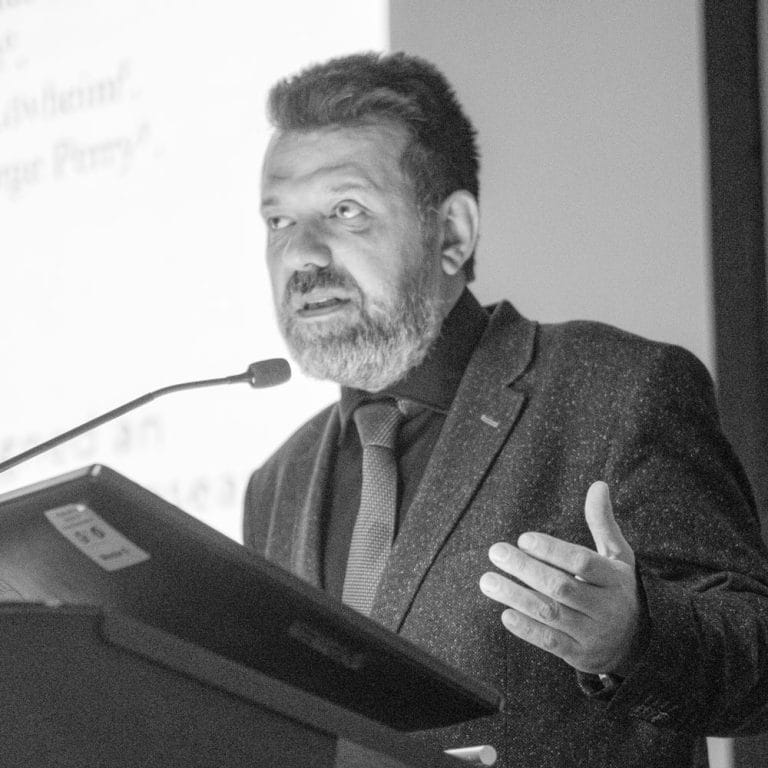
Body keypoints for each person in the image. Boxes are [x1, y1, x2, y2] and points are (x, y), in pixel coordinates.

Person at [244, 51, 768, 768]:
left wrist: (637, 638)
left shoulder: (618, 390)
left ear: (452, 233)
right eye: (277, 220)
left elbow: (758, 663)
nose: (301, 255)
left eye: (345, 211)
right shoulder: (277, 481)